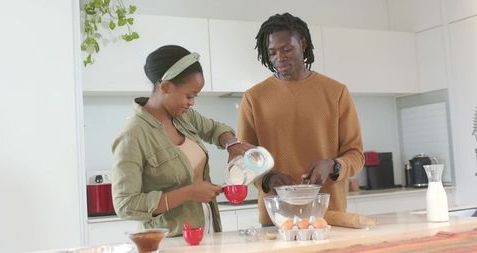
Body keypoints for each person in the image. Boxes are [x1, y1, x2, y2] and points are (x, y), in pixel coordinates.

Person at [237, 13, 365, 226]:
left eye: (287, 49)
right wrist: (268, 179)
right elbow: (245, 159)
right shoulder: (253, 98)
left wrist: (332, 165)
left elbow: (356, 155)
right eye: (272, 52)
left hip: (327, 217)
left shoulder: (336, 92)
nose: (279, 57)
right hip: (276, 218)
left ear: (303, 43)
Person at [112, 45, 251, 237]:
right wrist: (189, 193)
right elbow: (125, 204)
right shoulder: (133, 135)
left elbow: (214, 129)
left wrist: (231, 143)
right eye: (189, 95)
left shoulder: (184, 117)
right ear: (166, 86)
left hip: (208, 234)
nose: (192, 102)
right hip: (168, 242)